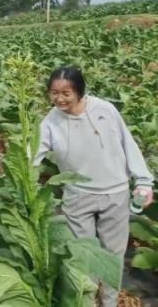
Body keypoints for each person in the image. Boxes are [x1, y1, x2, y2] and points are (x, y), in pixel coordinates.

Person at [34, 66, 154, 307]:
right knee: (82, 255)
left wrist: (143, 181)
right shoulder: (50, 123)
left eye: (66, 93)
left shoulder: (105, 110)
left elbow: (127, 143)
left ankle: (109, 302)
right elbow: (30, 156)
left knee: (113, 256)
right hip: (78, 197)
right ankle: (85, 301)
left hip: (115, 194)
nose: (59, 99)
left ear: (79, 91)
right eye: (54, 93)